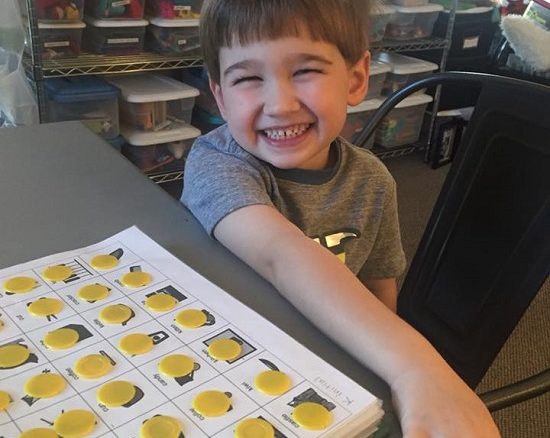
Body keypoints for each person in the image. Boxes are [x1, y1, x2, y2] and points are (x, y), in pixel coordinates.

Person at [182, 0, 501, 436]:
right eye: (248, 78)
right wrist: (416, 367)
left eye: (305, 71)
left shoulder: (372, 181)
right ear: (220, 96)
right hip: (227, 362)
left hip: (324, 372)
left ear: (355, 79)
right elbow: (278, 253)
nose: (280, 105)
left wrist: (385, 376)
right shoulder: (216, 165)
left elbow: (378, 285)